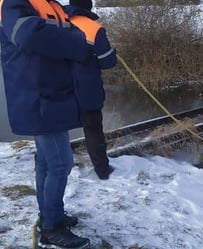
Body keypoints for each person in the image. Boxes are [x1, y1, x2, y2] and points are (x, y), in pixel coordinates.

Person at [0, 0, 93, 248]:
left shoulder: (53, 6)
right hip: (36, 97)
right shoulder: (14, 3)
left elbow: (76, 24)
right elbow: (28, 35)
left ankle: (52, 215)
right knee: (61, 163)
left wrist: (80, 7)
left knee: (47, 162)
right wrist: (77, 45)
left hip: (54, 96)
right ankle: (51, 228)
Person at [66, 0, 117, 180]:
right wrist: (113, 53)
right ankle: (102, 169)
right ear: (88, 7)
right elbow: (108, 61)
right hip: (87, 88)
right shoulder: (93, 28)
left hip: (60, 86)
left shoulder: (57, 23)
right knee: (93, 128)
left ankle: (48, 162)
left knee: (57, 127)